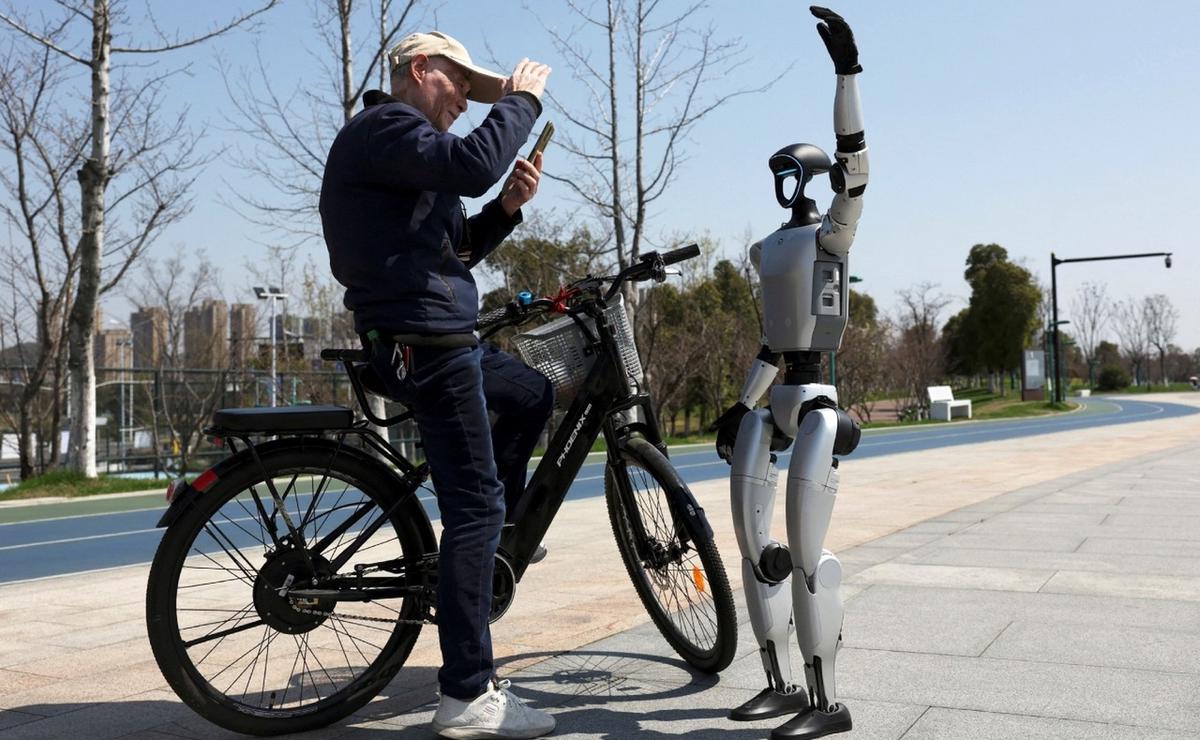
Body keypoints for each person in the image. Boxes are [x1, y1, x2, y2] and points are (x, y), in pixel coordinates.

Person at [319, 30, 556, 739]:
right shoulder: (389, 126)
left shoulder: (407, 159)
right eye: (459, 89)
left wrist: (507, 211)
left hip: (434, 330)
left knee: (529, 393)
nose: (462, 105)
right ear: (421, 71)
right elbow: (475, 162)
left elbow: (454, 253)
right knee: (473, 506)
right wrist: (519, 102)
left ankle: (491, 545)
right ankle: (467, 696)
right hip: (423, 340)